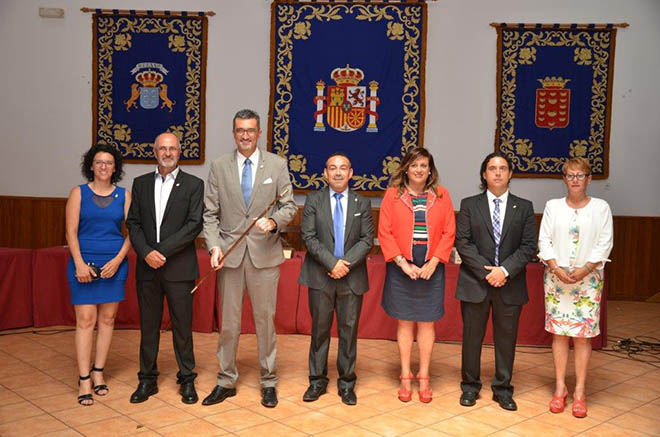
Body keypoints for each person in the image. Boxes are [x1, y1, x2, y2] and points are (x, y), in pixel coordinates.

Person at [202, 109, 296, 408]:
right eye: (240, 130)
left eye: (250, 130)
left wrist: (274, 222)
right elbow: (210, 213)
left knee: (265, 322)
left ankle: (268, 381)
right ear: (234, 133)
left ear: (259, 133)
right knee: (229, 324)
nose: (245, 135)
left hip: (264, 255)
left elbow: (289, 206)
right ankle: (225, 380)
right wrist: (214, 247)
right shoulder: (219, 166)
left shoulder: (277, 165)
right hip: (229, 256)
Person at [125, 132, 204, 405]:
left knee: (182, 326)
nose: (167, 153)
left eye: (172, 148)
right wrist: (147, 253)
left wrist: (162, 252)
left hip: (179, 268)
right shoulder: (141, 184)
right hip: (148, 268)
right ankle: (147, 379)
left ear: (179, 152)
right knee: (148, 326)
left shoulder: (194, 184)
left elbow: (194, 224)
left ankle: (187, 379)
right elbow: (133, 223)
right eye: (162, 148)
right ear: (154, 152)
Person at [455, 152, 537, 411]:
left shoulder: (524, 207)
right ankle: (470, 387)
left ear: (510, 173)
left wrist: (504, 271)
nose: (498, 173)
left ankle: (502, 389)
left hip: (510, 284)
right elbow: (463, 243)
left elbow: (528, 247)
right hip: (475, 282)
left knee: (506, 340)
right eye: (492, 168)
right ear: (484, 174)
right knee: (471, 338)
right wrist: (487, 272)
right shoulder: (469, 205)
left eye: (503, 168)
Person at [378, 147, 456, 404]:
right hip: (401, 267)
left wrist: (434, 262)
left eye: (423, 165)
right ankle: (405, 374)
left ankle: (424, 375)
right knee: (404, 322)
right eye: (414, 165)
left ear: (430, 169)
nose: (419, 170)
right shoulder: (393, 195)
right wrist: (402, 263)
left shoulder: (442, 195)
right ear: (406, 169)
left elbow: (449, 232)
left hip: (431, 267)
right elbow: (385, 232)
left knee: (426, 322)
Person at [538, 157, 613, 418]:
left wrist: (585, 269)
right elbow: (544, 240)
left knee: (582, 336)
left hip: (588, 280)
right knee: (559, 334)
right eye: (570, 175)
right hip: (556, 279)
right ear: (564, 179)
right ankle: (560, 388)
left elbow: (605, 243)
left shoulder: (601, 208)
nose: (575, 180)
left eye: (580, 175)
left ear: (589, 179)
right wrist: (555, 268)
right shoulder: (553, 206)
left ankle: (580, 391)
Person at [298, 152, 374, 406]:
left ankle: (347, 383)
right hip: (320, 275)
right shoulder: (313, 200)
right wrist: (332, 263)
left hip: (351, 277)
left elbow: (367, 240)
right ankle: (317, 381)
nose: (338, 172)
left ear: (351, 173)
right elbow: (309, 237)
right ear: (325, 173)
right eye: (333, 168)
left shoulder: (362, 203)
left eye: (343, 168)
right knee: (319, 331)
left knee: (348, 332)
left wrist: (344, 265)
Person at [65, 144, 131, 406]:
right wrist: (79, 264)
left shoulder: (124, 195)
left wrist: (118, 260)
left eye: (109, 163)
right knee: (85, 320)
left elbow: (133, 233)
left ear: (115, 168)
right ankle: (84, 379)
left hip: (114, 263)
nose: (104, 166)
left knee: (108, 319)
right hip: (83, 261)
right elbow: (70, 232)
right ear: (91, 166)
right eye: (99, 162)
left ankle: (98, 372)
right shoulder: (78, 193)